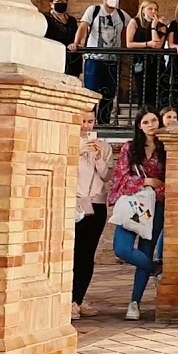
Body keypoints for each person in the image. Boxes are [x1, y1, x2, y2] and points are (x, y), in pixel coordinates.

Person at [107, 109, 166, 321]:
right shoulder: (129, 149)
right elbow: (121, 178)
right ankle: (155, 268)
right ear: (139, 125)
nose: (150, 125)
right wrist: (147, 182)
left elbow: (171, 181)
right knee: (122, 249)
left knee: (146, 249)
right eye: (146, 121)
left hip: (156, 206)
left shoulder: (166, 149)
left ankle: (135, 302)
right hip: (133, 204)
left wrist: (158, 186)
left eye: (154, 120)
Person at [72, 108, 112, 320]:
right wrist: (77, 151)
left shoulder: (104, 147)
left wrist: (98, 157)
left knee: (87, 254)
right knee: (72, 252)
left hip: (95, 204)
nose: (87, 126)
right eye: (84, 121)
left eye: (91, 121)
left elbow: (106, 176)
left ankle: (78, 298)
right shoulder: (67, 144)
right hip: (73, 202)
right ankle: (69, 298)